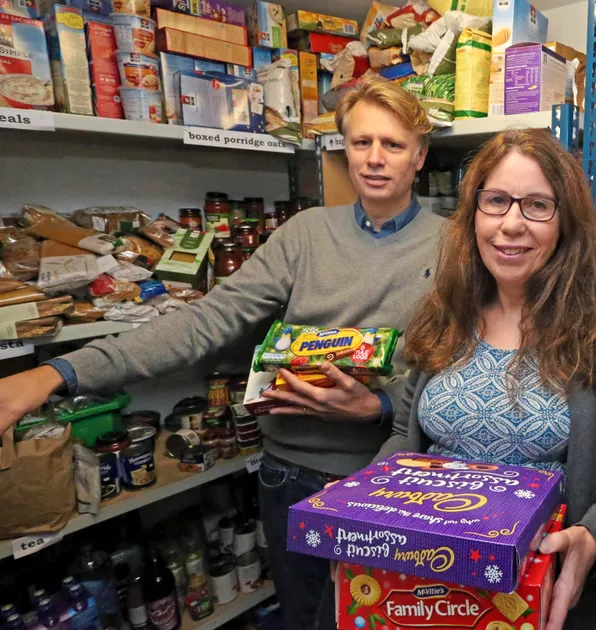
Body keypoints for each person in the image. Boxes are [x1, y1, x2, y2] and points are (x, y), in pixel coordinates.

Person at [0, 77, 444, 630]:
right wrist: (57, 371)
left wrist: (379, 409)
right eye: (360, 143)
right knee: (307, 619)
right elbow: (204, 322)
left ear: (420, 156)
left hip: (388, 473)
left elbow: (456, 370)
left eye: (393, 145)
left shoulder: (456, 247)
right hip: (294, 476)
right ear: (344, 148)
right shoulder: (304, 234)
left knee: (387, 619)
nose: (374, 159)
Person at [339, 128, 596, 630]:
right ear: (473, 211)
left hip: (539, 592)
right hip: (421, 586)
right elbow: (401, 436)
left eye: (537, 205)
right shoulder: (443, 311)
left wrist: (595, 535)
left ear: (567, 222)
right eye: (496, 201)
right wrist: (360, 501)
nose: (511, 224)